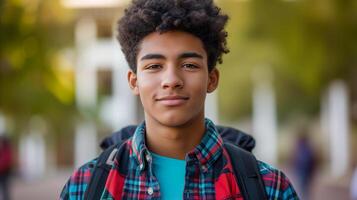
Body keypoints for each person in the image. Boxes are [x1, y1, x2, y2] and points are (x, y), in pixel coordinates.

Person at [60, 0, 299, 199]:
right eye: (154, 66)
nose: (171, 80)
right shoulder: (85, 187)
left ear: (212, 79)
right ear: (134, 81)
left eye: (189, 65)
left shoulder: (270, 188)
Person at [0, 135, 13, 200]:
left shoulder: (6, 150)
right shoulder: (3, 150)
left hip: (5, 173)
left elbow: (6, 161)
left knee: (5, 189)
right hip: (3, 172)